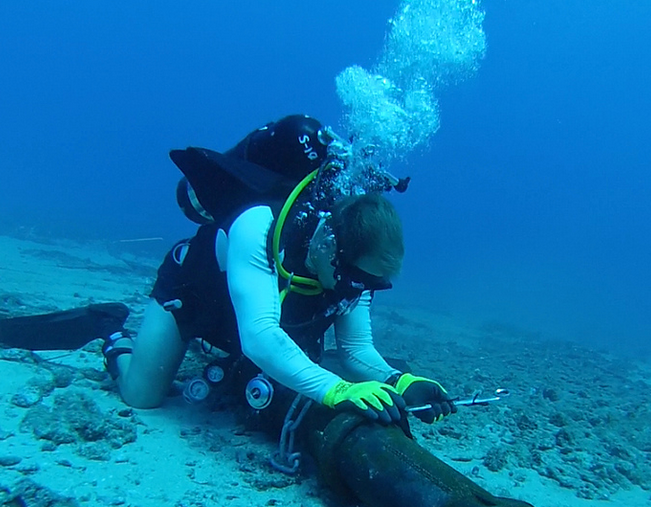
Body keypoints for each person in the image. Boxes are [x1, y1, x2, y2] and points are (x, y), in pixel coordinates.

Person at [103, 114, 455, 425]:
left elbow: (355, 350)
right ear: (330, 246)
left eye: (372, 283)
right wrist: (336, 389)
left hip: (246, 320)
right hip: (195, 294)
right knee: (142, 396)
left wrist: (402, 381)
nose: (359, 290)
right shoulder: (259, 224)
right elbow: (259, 335)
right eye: (358, 280)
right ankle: (114, 336)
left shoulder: (354, 276)